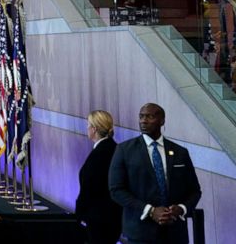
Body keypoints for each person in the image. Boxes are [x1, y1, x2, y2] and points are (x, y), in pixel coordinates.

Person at [108, 103, 202, 244]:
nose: (143, 121)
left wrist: (181, 209)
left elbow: (194, 191)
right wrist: (150, 210)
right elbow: (116, 190)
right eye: (141, 116)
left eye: (150, 116)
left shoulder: (180, 152)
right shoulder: (124, 150)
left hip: (175, 233)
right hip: (140, 233)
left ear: (162, 121)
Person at [76, 110, 122, 244]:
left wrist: (79, 215)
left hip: (99, 219)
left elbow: (90, 187)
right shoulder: (115, 149)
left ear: (94, 129)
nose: (87, 128)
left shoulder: (100, 154)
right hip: (113, 217)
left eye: (88, 125)